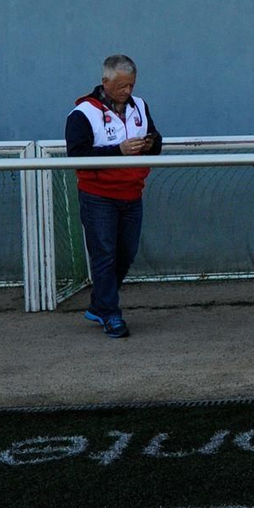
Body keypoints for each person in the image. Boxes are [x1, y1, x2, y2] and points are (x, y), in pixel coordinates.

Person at [65, 54, 163, 339]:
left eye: (131, 85)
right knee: (104, 254)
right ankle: (110, 313)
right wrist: (118, 151)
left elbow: (156, 143)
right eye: (122, 86)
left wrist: (151, 142)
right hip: (98, 196)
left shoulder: (140, 107)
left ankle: (100, 303)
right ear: (105, 81)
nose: (128, 91)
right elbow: (77, 157)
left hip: (132, 193)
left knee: (126, 253)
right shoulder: (82, 114)